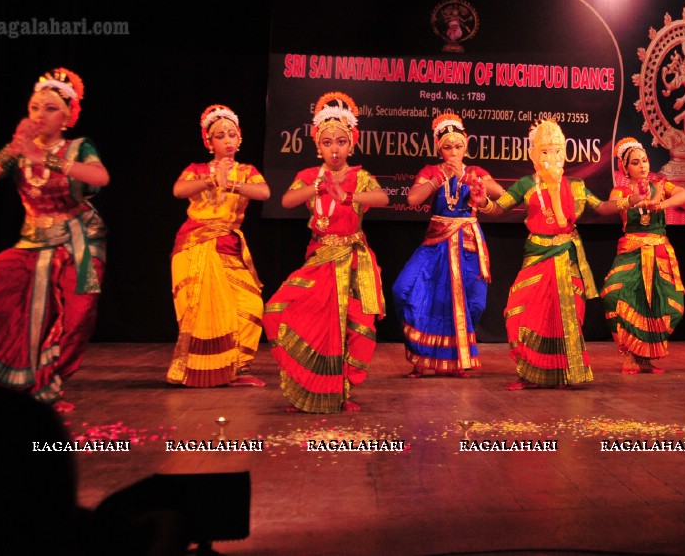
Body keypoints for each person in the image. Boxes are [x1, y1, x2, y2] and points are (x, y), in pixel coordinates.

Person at [0, 68, 108, 409]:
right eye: (34, 108)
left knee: (79, 313)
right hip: (32, 243)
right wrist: (12, 150)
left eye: (50, 108)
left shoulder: (78, 147)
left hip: (79, 242)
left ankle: (52, 381)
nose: (39, 115)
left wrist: (44, 157)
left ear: (67, 117)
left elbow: (99, 178)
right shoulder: (18, 149)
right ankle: (10, 381)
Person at [471, 119, 641, 389]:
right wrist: (483, 203)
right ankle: (529, 374)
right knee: (518, 312)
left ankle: (564, 374)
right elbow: (498, 208)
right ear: (534, 155)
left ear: (565, 153)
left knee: (566, 318)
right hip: (537, 256)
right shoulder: (526, 184)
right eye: (545, 151)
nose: (552, 157)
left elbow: (602, 207)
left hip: (567, 256)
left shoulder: (576, 185)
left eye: (557, 150)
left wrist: (628, 201)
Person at [262, 92, 389, 412]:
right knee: (281, 312)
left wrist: (347, 197)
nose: (335, 148)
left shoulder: (360, 177)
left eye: (341, 141)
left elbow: (382, 199)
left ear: (352, 144)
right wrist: (319, 187)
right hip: (320, 259)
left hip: (353, 259)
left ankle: (341, 392)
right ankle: (305, 385)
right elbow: (288, 201)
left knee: (350, 328)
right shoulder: (309, 177)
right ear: (318, 145)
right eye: (328, 142)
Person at [392, 112, 504, 377]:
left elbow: (500, 197)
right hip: (436, 244)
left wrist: (479, 195)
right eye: (447, 147)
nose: (453, 152)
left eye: (458, 146)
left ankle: (457, 358)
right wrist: (440, 176)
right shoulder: (432, 171)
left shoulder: (476, 172)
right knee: (405, 290)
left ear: (466, 143)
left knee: (474, 303)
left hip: (468, 245)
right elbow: (413, 199)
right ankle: (421, 355)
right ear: (438, 148)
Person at [166, 105, 270, 388]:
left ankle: (239, 367)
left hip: (228, 245)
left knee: (251, 305)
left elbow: (264, 192)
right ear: (209, 142)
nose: (226, 140)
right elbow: (178, 190)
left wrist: (232, 185)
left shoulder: (247, 171)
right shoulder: (196, 170)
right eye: (219, 136)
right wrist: (212, 180)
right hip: (194, 245)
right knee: (202, 310)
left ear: (239, 139)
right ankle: (201, 370)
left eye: (231, 135)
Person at [601, 137, 685, 374]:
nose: (642, 165)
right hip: (632, 250)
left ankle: (645, 357)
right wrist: (635, 201)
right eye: (635, 162)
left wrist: (659, 205)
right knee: (615, 296)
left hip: (660, 251)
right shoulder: (621, 190)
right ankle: (631, 355)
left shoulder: (661, 186)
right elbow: (611, 206)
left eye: (644, 160)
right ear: (626, 167)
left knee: (671, 306)